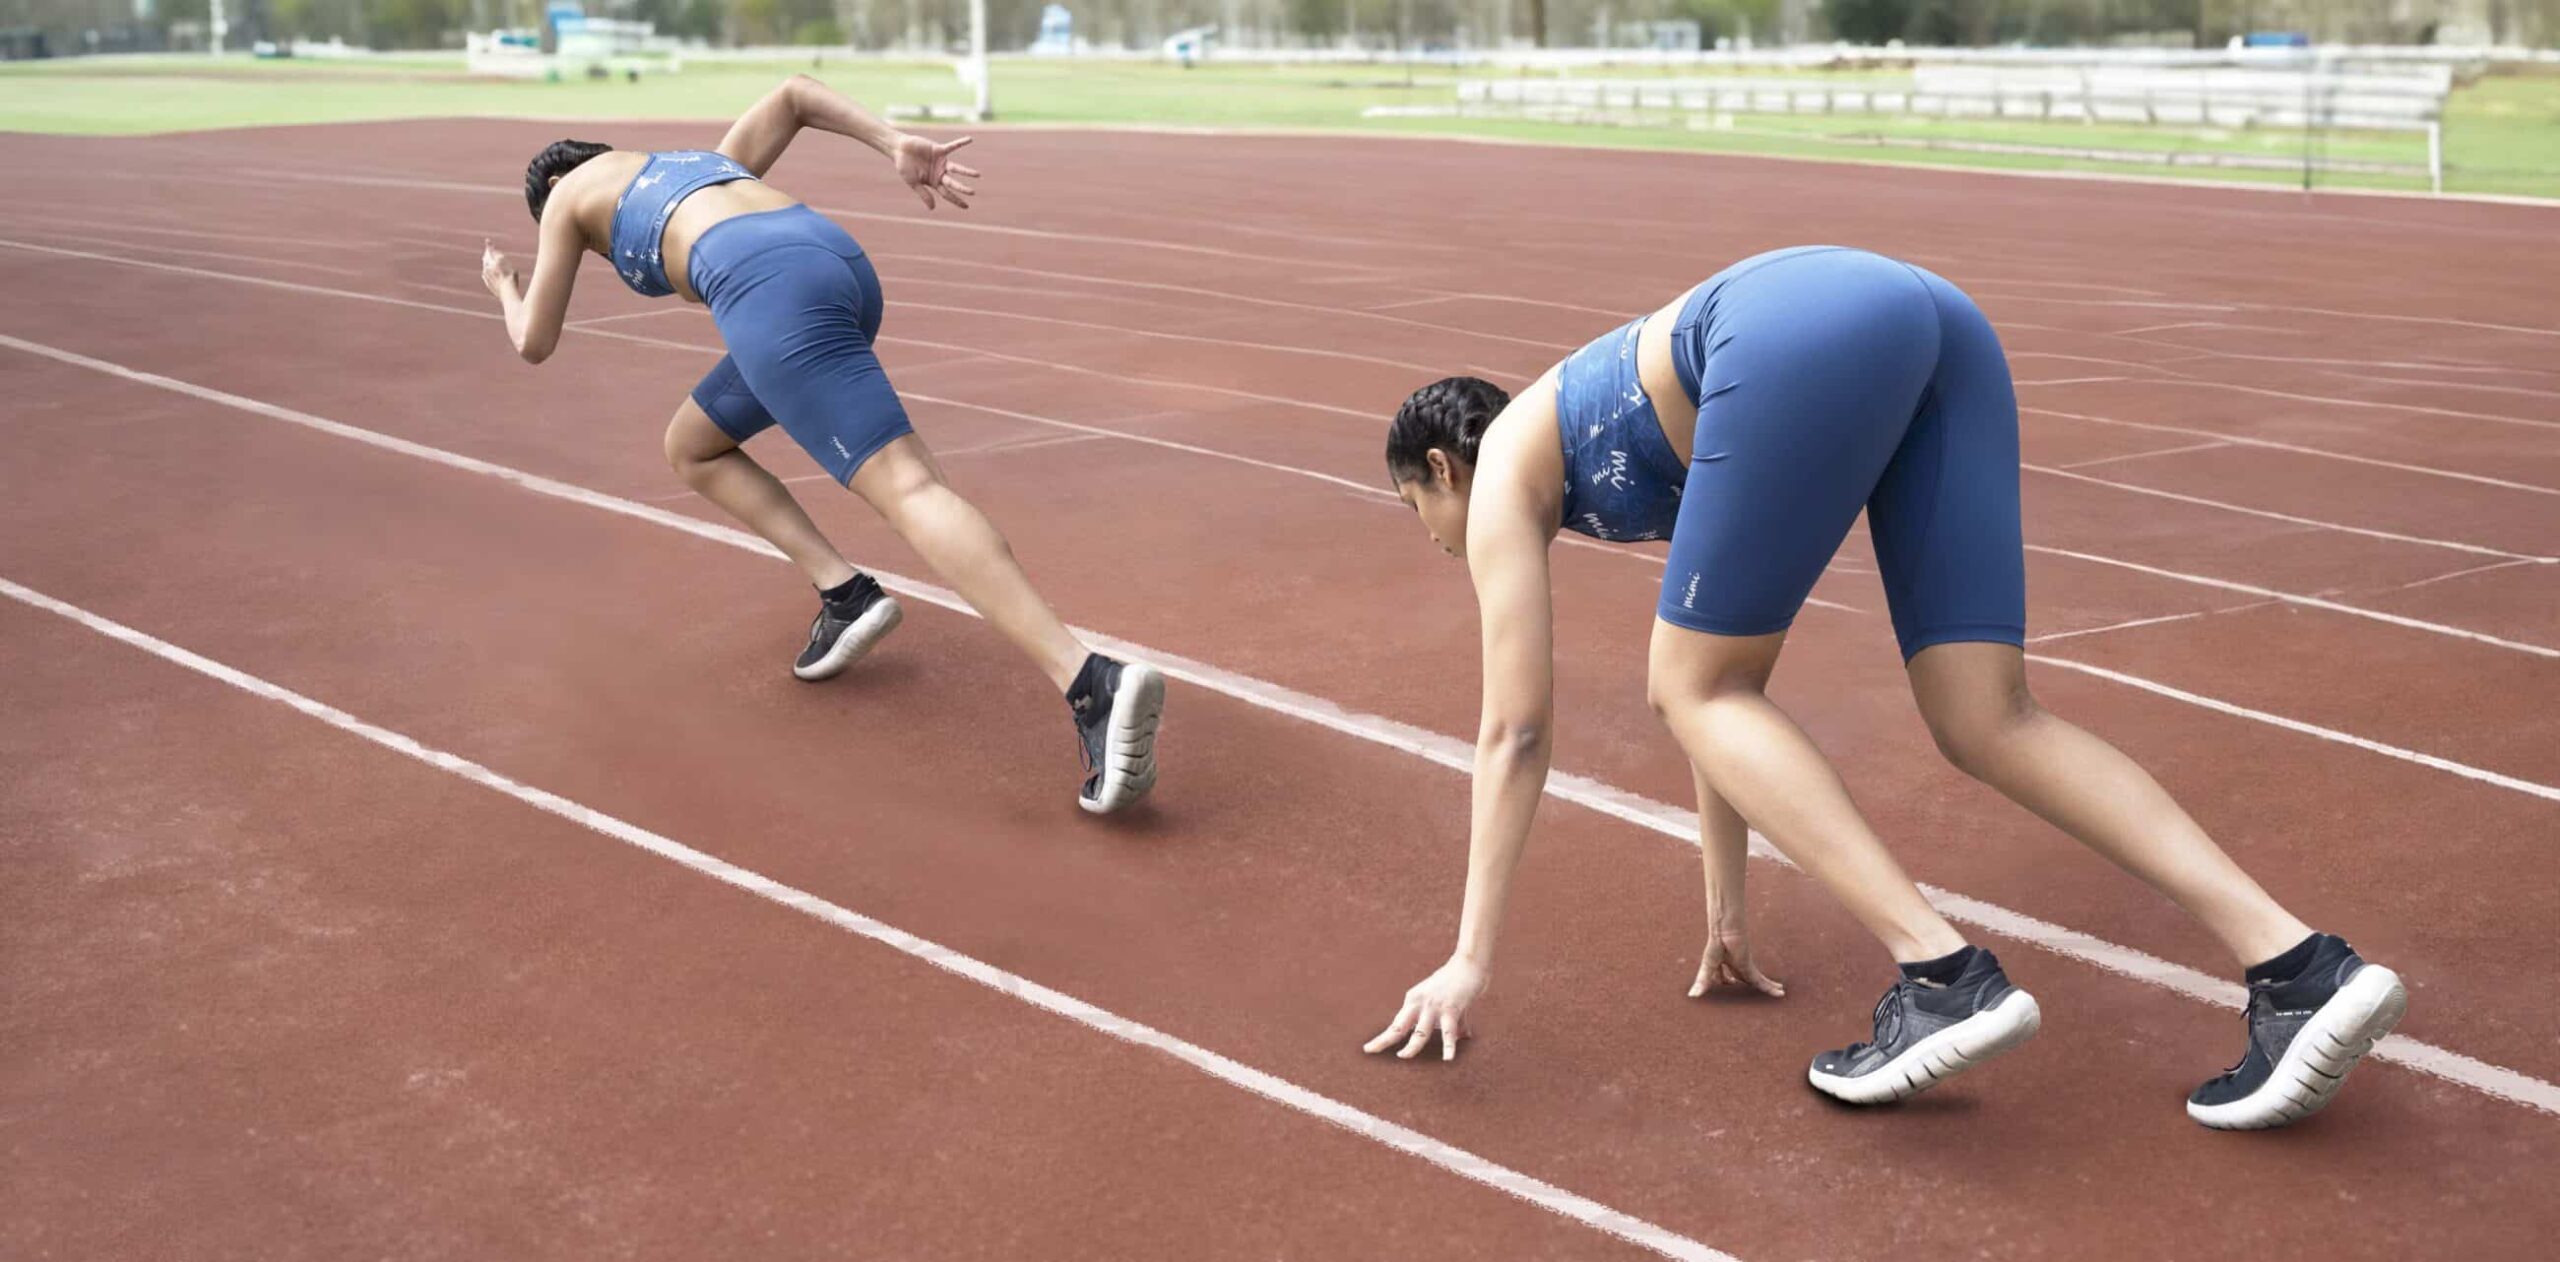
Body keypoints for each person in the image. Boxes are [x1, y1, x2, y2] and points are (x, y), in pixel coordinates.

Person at [1360, 245, 2405, 1129]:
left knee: (1690, 684)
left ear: (1440, 471)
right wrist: (1727, 911)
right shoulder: (1607, 430)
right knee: (1984, 713)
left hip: (1795, 325)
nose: (1442, 549)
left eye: (1417, 517)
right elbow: (1728, 697)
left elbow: (1516, 732)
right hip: (1934, 320)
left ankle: (1942, 978)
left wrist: (1467, 958)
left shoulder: (1497, 467)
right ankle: (2299, 966)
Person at [477, 75, 1163, 814]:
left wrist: (505, 287)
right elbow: (794, 95)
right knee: (692, 445)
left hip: (769, 292)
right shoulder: (682, 165)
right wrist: (894, 142)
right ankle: (845, 593)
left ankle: (1089, 678)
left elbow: (534, 343)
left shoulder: (566, 197)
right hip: (838, 264)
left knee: (909, 489)